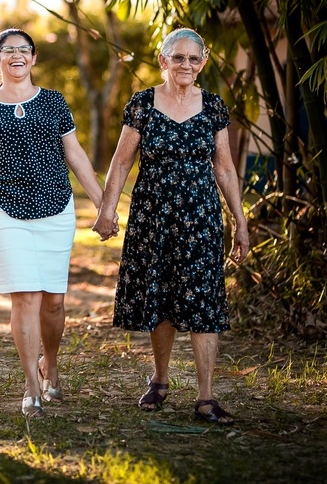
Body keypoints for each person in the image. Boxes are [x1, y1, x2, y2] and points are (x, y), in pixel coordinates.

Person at [92, 27, 250, 425]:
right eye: (178, 57)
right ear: (163, 61)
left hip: (200, 218)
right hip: (153, 215)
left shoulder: (213, 106)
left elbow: (225, 167)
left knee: (204, 302)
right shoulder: (143, 104)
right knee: (159, 297)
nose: (186, 65)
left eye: (194, 58)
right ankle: (160, 379)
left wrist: (240, 222)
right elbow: (122, 161)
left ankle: (206, 397)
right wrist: (107, 210)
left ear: (203, 63)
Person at [0, 28, 110, 418]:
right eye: (9, 50)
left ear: (34, 59)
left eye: (25, 49)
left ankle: (50, 364)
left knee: (53, 303)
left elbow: (75, 155)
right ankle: (32, 386)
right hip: (3, 209)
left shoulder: (54, 102)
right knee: (25, 296)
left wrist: (103, 206)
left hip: (56, 207)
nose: (17, 55)